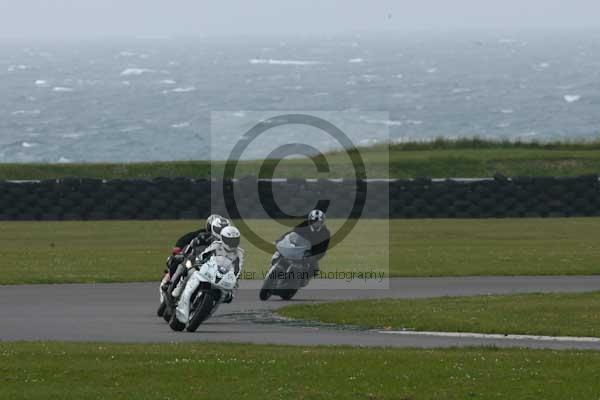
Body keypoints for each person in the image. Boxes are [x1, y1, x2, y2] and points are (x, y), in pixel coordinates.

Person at [174, 225, 244, 325]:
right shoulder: (216, 245)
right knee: (190, 271)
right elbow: (204, 254)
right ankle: (179, 289)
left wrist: (234, 282)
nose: (232, 243)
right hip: (208, 269)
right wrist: (198, 262)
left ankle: (207, 312)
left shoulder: (239, 253)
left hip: (223, 276)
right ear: (223, 239)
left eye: (235, 240)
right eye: (230, 240)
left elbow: (238, 268)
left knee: (227, 295)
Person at [271, 209, 330, 278]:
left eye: (318, 222)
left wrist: (314, 257)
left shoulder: (325, 233)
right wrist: (280, 240)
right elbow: (292, 233)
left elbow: (323, 249)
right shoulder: (303, 225)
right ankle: (275, 263)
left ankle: (301, 281)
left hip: (311, 252)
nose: (315, 223)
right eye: (313, 221)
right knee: (280, 253)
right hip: (299, 247)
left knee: (314, 270)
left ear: (322, 222)